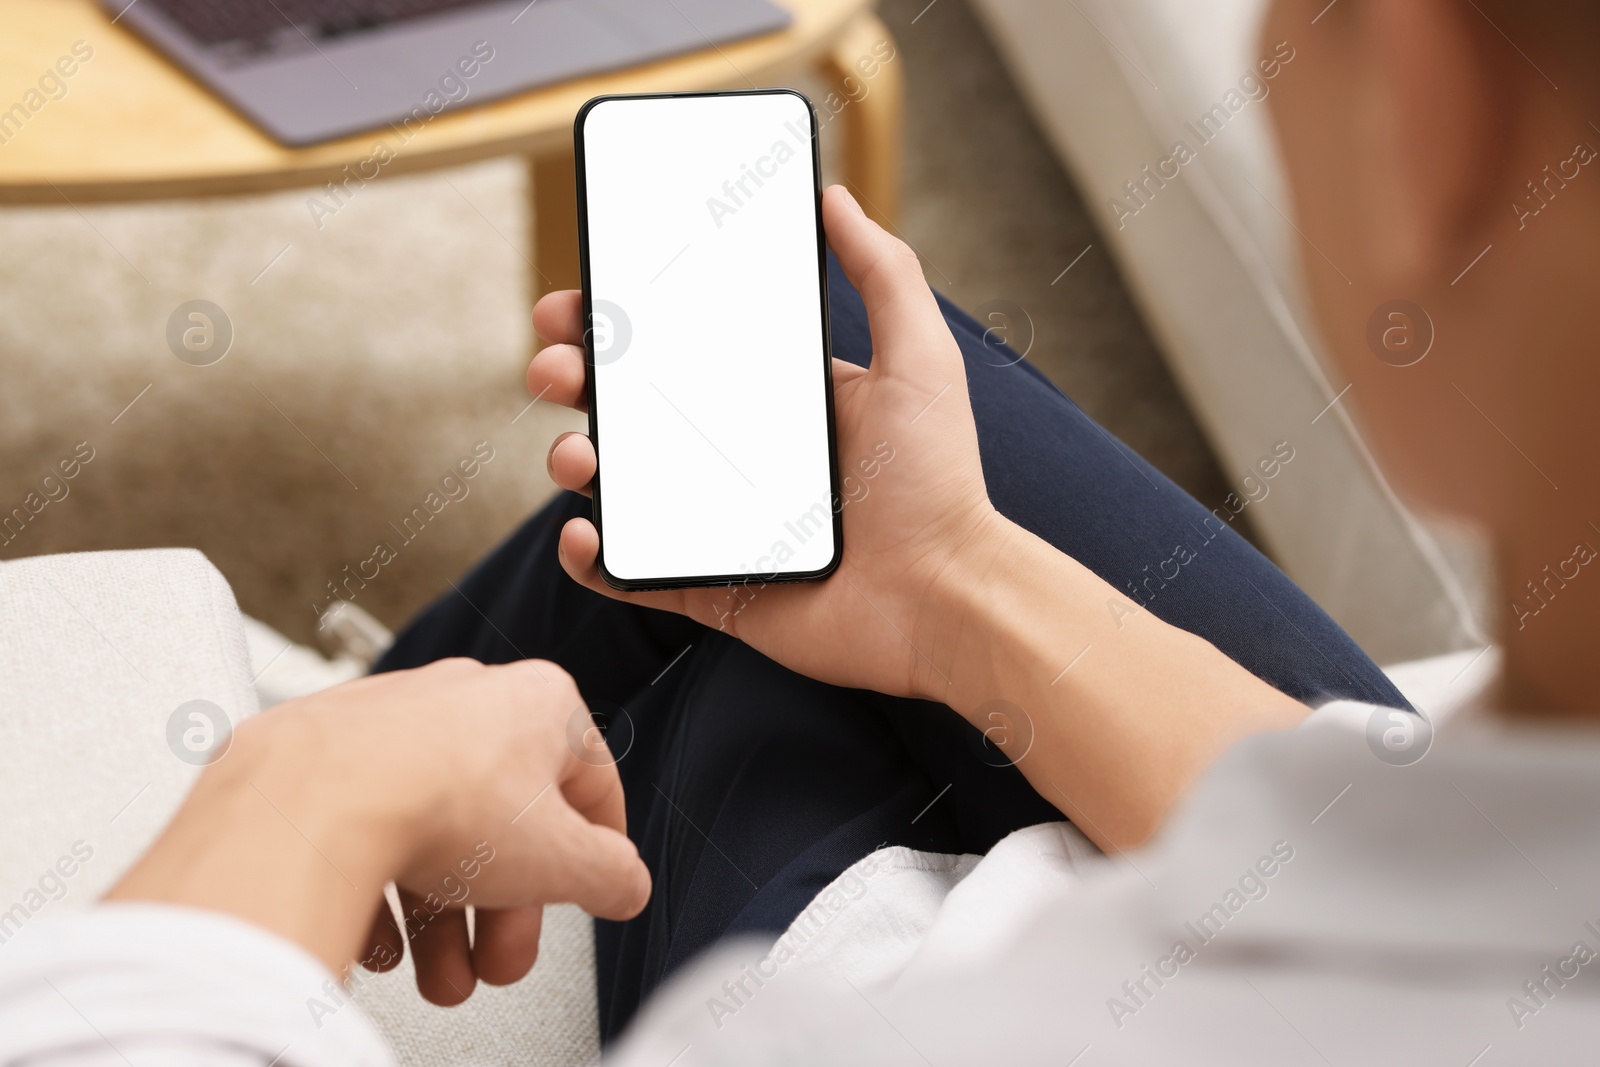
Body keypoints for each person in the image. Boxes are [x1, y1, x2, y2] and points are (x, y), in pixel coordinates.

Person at [3, 0, 1596, 1061]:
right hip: (1315, 857)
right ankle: (429, 695)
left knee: (734, 648)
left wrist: (308, 792)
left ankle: (370, 710)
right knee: (824, 436)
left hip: (907, 934)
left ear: (1423, 131)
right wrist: (956, 583)